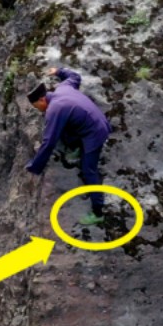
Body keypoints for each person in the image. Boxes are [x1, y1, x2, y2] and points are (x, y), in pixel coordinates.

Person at [26, 67, 113, 224]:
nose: (38, 110)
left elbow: (49, 142)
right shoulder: (63, 88)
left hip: (95, 134)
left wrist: (35, 166)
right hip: (95, 121)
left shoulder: (54, 110)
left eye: (36, 107)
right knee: (64, 127)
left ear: (41, 100)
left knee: (89, 170)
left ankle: (98, 212)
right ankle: (76, 147)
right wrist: (58, 71)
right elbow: (74, 76)